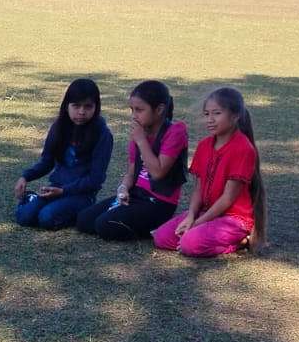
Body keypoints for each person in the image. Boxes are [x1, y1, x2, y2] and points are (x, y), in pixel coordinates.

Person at [152, 86, 266, 256]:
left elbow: (228, 198)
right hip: (206, 213)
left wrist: (197, 223)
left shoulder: (243, 148)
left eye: (217, 113)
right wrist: (191, 216)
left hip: (233, 219)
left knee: (189, 243)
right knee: (161, 238)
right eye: (206, 114)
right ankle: (198, 233)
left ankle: (240, 241)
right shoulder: (204, 146)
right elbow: (199, 188)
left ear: (235, 116)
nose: (210, 120)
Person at [76, 81, 187, 241]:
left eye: (139, 110)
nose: (134, 115)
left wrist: (141, 140)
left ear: (159, 109)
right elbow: (132, 172)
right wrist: (123, 188)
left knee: (104, 226)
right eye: (132, 109)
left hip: (158, 202)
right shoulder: (141, 131)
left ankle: (156, 228)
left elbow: (158, 173)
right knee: (84, 220)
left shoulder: (174, 132)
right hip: (136, 195)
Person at [13, 78, 112, 230]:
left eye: (88, 106)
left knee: (46, 218)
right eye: (76, 105)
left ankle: (80, 210)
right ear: (67, 105)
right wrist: (25, 176)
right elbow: (47, 162)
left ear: (96, 107)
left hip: (82, 194)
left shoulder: (102, 134)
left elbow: (95, 179)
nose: (81, 112)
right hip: (55, 188)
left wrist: (64, 191)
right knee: (24, 217)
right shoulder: (59, 127)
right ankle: (32, 199)